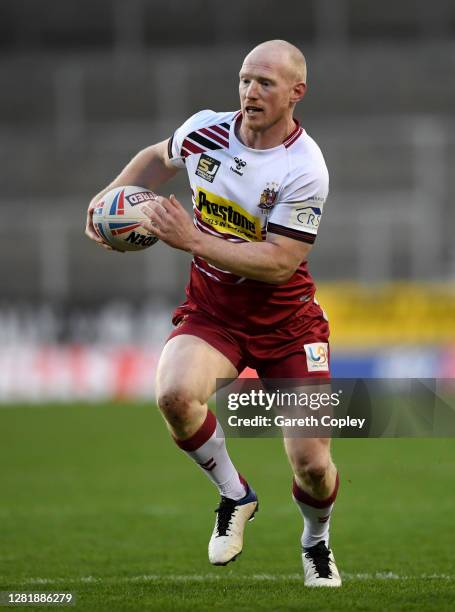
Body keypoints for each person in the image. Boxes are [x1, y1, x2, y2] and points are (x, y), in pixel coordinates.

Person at [85, 39, 341, 588]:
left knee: (313, 467)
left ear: (296, 93)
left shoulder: (305, 168)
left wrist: (192, 239)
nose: (250, 91)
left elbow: (278, 263)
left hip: (289, 324)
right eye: (245, 79)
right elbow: (158, 157)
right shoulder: (206, 129)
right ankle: (235, 494)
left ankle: (316, 542)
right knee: (174, 395)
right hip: (214, 311)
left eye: (265, 83)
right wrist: (107, 199)